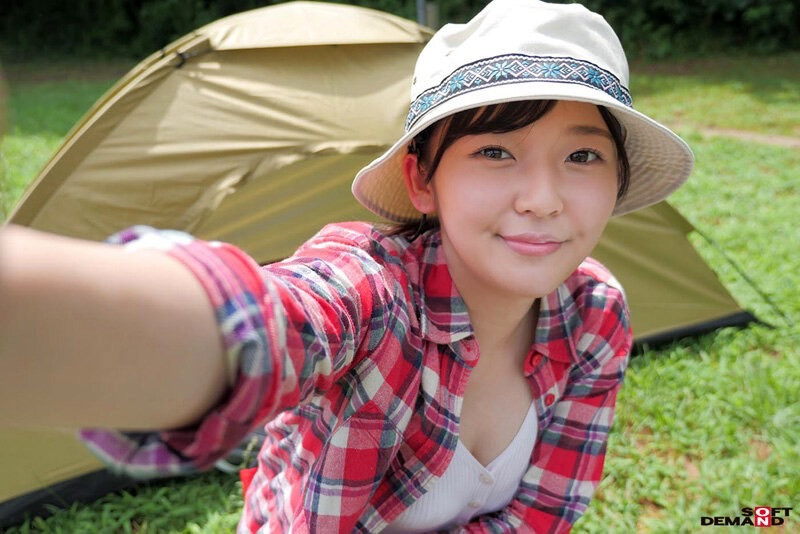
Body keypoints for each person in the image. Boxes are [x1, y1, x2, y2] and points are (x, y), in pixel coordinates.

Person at [0, 0, 694, 531]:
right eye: (494, 151)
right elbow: (276, 319)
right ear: (422, 181)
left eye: (582, 156)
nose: (542, 199)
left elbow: (542, 514)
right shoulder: (374, 291)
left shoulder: (596, 314)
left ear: (617, 182)